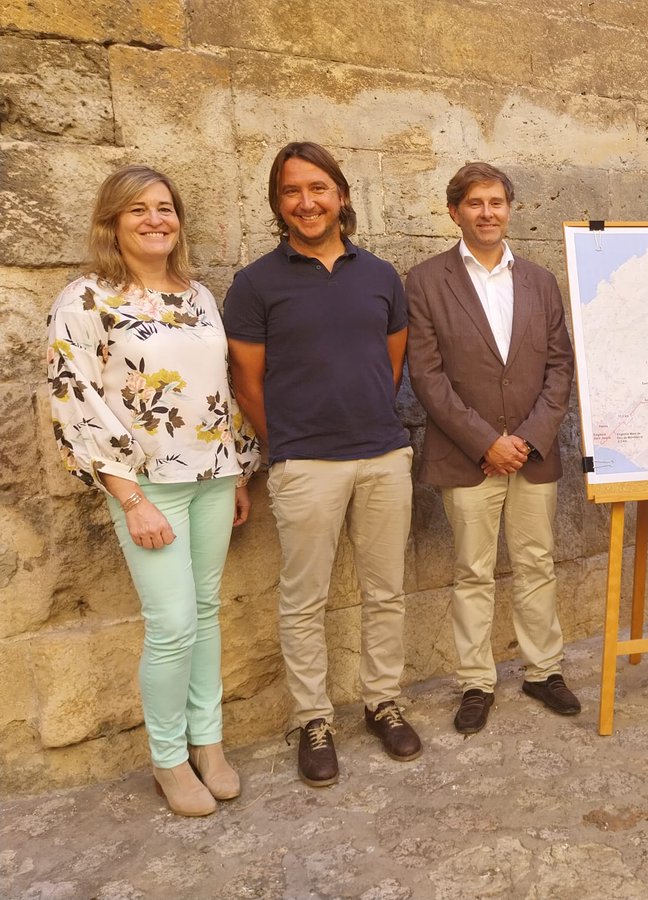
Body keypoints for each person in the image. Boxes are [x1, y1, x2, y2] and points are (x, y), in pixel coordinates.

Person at [47, 165, 258, 816]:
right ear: (112, 222)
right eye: (137, 209)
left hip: (213, 476)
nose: (154, 219)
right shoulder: (86, 299)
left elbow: (220, 389)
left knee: (205, 613)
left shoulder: (198, 296)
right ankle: (168, 760)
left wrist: (237, 468)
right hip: (146, 486)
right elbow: (74, 398)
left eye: (164, 207)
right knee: (171, 625)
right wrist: (130, 499)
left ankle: (208, 744)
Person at [224, 141, 419, 787]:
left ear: (341, 196)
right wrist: (289, 443)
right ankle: (313, 719)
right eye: (291, 191)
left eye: (318, 189)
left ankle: (382, 702)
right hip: (304, 464)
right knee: (304, 600)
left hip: (383, 455)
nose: (306, 202)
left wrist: (363, 418)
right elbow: (246, 382)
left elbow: (391, 363)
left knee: (385, 590)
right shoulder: (255, 285)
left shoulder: (381, 276)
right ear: (278, 203)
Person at [406, 162, 578, 735]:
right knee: (472, 571)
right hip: (467, 458)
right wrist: (486, 442)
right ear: (454, 211)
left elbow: (560, 367)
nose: (487, 213)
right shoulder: (426, 281)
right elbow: (427, 376)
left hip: (532, 455)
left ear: (509, 209)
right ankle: (476, 682)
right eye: (475, 203)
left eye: (496, 202)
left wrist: (526, 439)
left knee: (536, 564)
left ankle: (543, 671)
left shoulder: (540, 282)